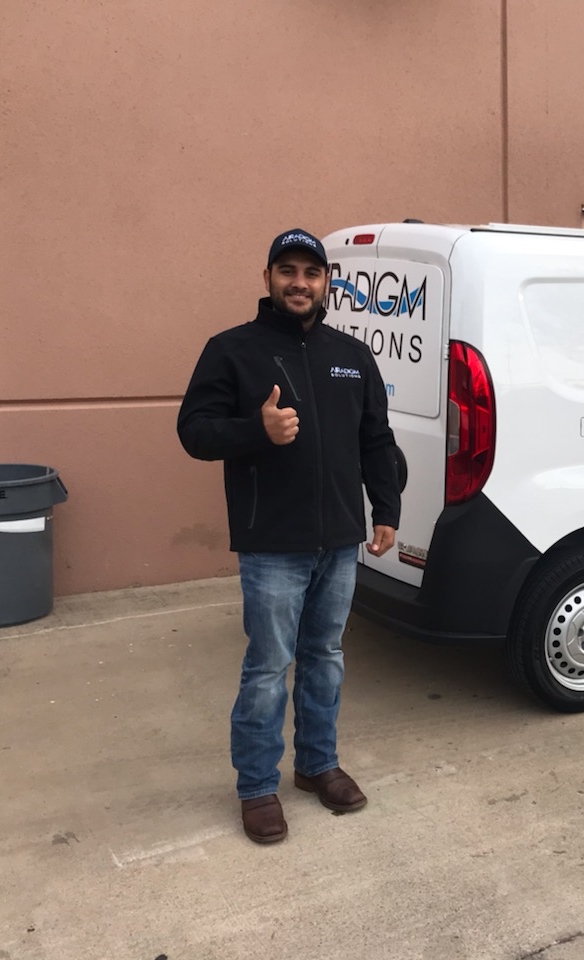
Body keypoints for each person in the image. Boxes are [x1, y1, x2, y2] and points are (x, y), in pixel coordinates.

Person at [177, 228, 401, 844]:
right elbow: (194, 431)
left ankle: (317, 765)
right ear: (268, 278)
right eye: (287, 271)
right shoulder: (231, 351)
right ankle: (255, 787)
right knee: (268, 666)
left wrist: (387, 508)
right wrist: (257, 428)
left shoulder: (351, 355)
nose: (299, 282)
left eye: (312, 272)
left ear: (327, 282)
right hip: (272, 543)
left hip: (340, 539)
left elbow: (375, 441)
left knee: (325, 659)